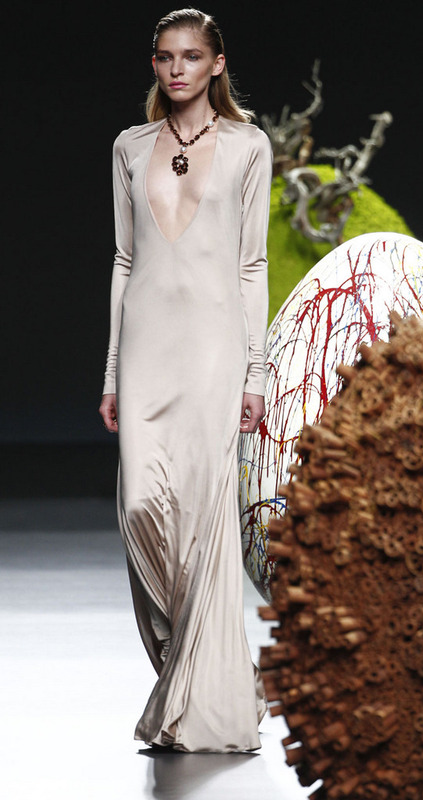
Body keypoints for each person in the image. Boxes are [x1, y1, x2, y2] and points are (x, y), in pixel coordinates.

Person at [99, 8, 272, 752]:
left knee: (203, 522)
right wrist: (112, 369)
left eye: (192, 56)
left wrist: (255, 371)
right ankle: (201, 674)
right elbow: (124, 260)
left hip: (213, 350)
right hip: (146, 350)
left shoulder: (248, 147)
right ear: (155, 65)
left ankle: (197, 692)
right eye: (166, 57)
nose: (178, 69)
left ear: (216, 65)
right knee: (142, 507)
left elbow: (252, 265)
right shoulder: (130, 146)